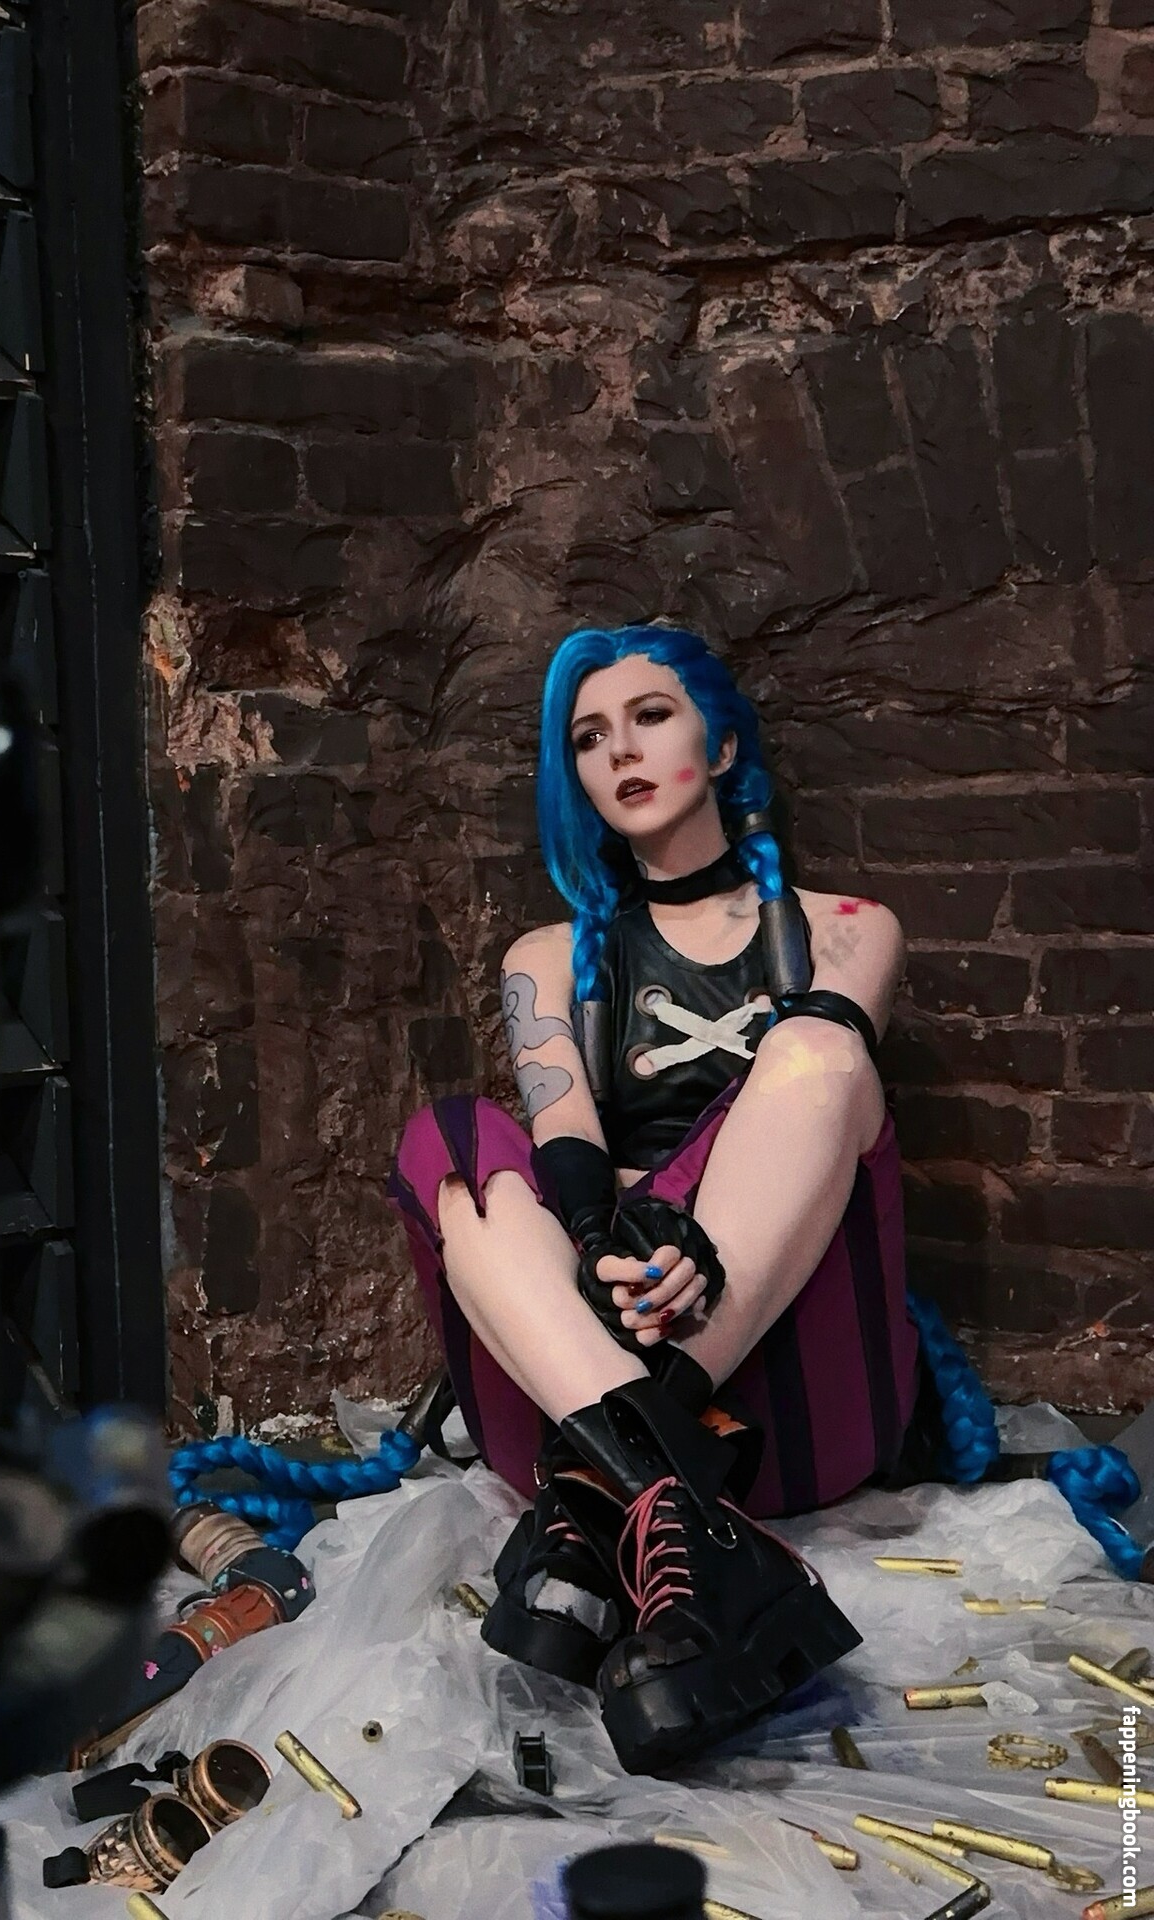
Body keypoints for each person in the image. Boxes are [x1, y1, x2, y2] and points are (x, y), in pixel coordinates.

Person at [386, 622, 930, 1778]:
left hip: (788, 1400)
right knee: (448, 1135)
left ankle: (601, 1501)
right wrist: (599, 1244)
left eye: (650, 716)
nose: (620, 751)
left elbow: (809, 1109)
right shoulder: (545, 959)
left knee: (818, 1054)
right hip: (590, 1356)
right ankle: (670, 1508)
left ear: (722, 746)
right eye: (589, 737)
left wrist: (696, 1242)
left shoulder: (848, 930)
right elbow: (565, 1138)